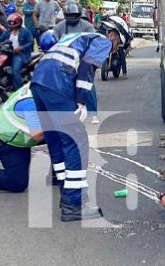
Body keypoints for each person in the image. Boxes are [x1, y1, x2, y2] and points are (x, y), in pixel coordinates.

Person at [30, 28, 122, 221]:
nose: (113, 50)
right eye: (117, 44)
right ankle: (73, 204)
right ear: (112, 36)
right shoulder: (102, 40)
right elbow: (87, 68)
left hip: (39, 81)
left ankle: (66, 189)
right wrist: (81, 100)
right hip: (56, 81)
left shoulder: (77, 37)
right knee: (75, 141)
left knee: (55, 139)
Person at [0, 12, 34, 91]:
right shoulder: (9, 31)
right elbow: (0, 38)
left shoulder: (25, 31)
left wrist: (21, 48)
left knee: (15, 71)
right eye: (10, 22)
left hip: (19, 54)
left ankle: (19, 91)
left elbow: (31, 43)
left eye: (12, 22)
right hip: (8, 53)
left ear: (18, 22)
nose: (11, 24)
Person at [102, 15, 132, 80]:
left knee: (122, 57)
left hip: (118, 46)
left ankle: (124, 73)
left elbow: (121, 39)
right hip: (108, 46)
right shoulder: (105, 29)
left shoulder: (118, 30)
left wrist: (118, 44)